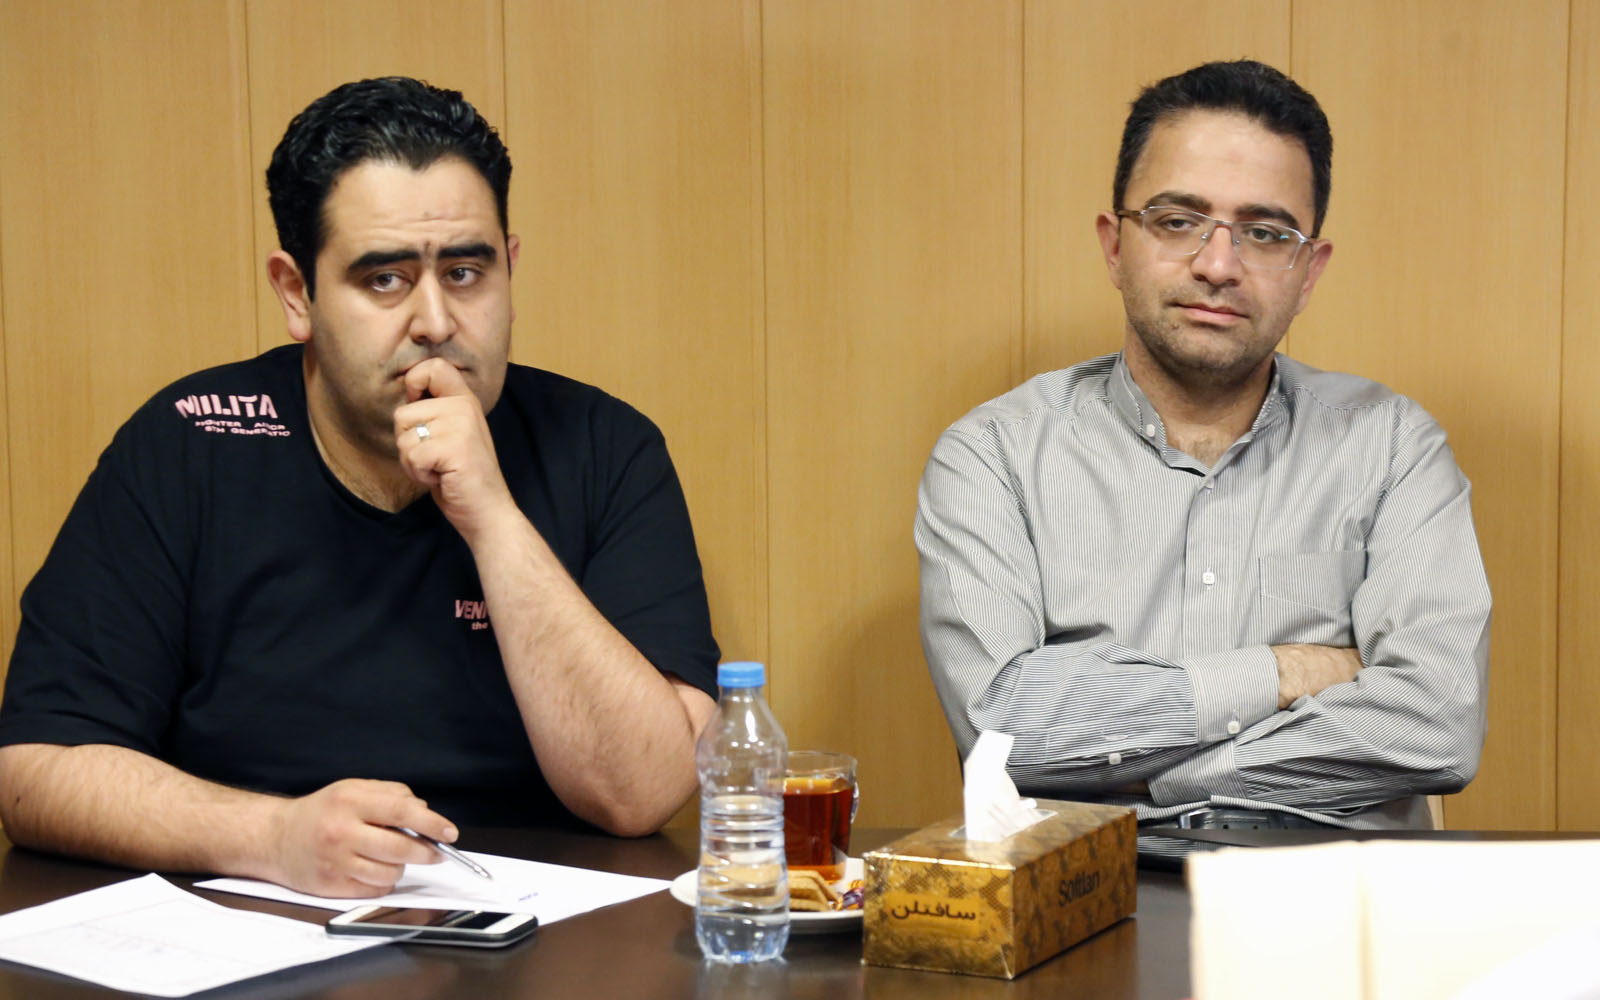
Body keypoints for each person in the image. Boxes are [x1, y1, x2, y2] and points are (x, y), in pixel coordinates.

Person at [0, 77, 721, 896]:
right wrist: (270, 835)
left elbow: (644, 794)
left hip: (549, 918)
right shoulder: (187, 442)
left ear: (510, 268)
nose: (436, 323)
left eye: (466, 272)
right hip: (260, 914)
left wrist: (491, 518)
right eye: (384, 280)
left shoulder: (605, 446)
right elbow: (36, 769)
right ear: (297, 293)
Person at [915, 60, 1490, 847]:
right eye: (1178, 220)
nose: (1218, 265)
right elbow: (1005, 727)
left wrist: (1151, 777)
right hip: (1085, 892)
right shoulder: (994, 456)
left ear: (1308, 271)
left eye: (1265, 233)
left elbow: (1437, 724)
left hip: (1340, 889)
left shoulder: (1391, 446)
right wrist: (1287, 671)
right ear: (1114, 246)